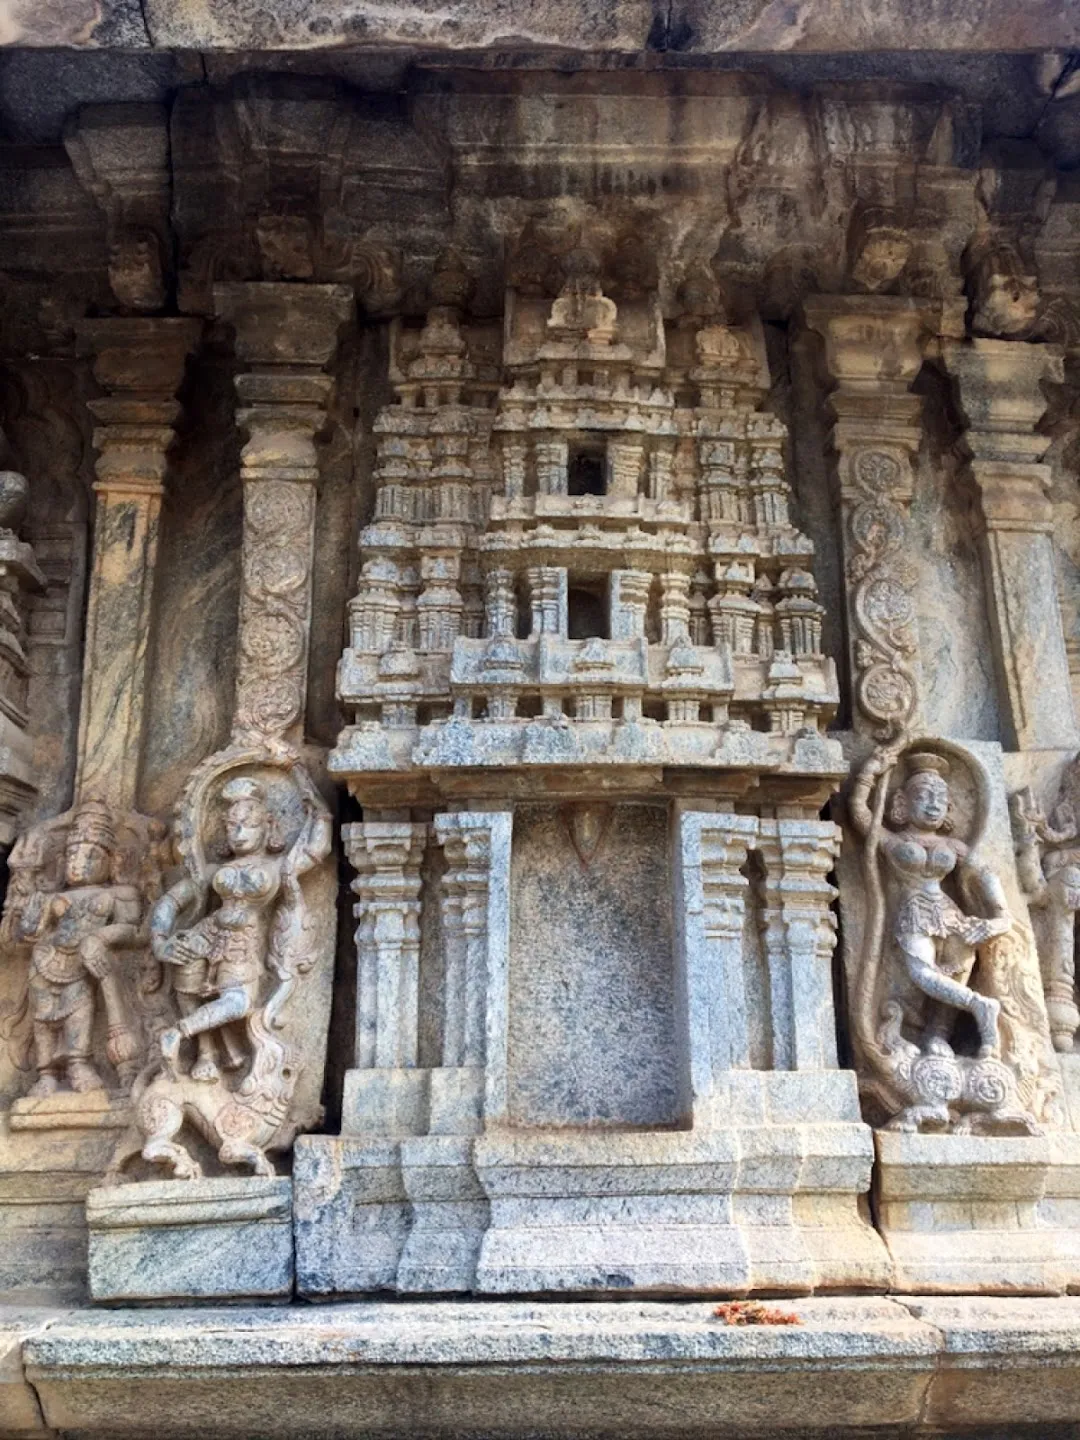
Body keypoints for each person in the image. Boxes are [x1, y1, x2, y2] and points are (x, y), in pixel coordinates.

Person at [850, 749, 1007, 1058]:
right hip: (915, 911)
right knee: (923, 974)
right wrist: (870, 770)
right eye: (924, 796)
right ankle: (980, 1005)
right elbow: (859, 812)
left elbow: (986, 875)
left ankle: (939, 1035)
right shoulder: (894, 841)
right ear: (902, 804)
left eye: (940, 798)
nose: (934, 804)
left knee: (953, 973)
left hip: (952, 915)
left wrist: (1000, 917)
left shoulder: (954, 846)